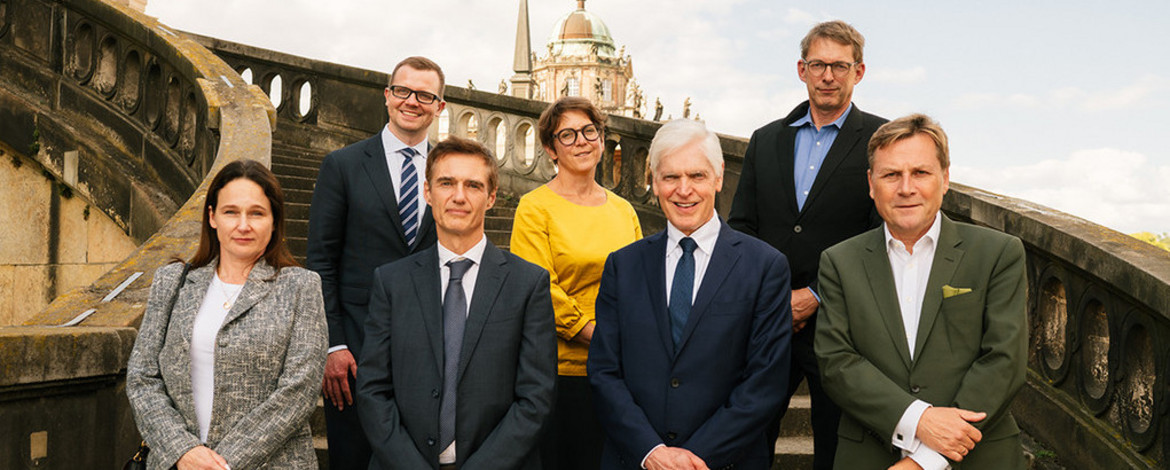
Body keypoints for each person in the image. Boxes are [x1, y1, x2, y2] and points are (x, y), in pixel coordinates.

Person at [815, 114, 1027, 470]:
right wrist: (918, 420)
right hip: (869, 456)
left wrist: (925, 460)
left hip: (979, 457)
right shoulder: (839, 262)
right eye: (891, 174)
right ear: (871, 183)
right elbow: (837, 361)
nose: (906, 188)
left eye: (921, 173)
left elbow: (1004, 360)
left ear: (945, 179)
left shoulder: (998, 253)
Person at [727, 20, 888, 468]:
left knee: (836, 446)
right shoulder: (766, 139)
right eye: (818, 64)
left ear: (859, 72)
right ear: (802, 69)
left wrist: (815, 294)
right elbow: (741, 228)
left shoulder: (882, 142)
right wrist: (773, 298)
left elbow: (880, 234)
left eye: (840, 66)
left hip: (842, 324)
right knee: (747, 437)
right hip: (767, 320)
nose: (828, 76)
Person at [589, 119, 792, 470]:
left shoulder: (765, 267)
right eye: (670, 177)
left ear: (718, 177)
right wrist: (651, 452)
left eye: (697, 176)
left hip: (726, 462)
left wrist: (693, 460)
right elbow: (604, 372)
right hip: (636, 460)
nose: (684, 190)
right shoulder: (623, 266)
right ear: (653, 182)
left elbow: (765, 383)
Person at [357, 137, 557, 470]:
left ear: (491, 197)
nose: (459, 196)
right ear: (427, 192)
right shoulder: (391, 282)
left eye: (473, 185)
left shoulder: (528, 284)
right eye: (446, 183)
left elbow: (536, 398)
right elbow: (373, 390)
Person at [126, 159, 327, 470]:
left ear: (274, 221)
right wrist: (182, 451)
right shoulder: (172, 282)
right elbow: (142, 377)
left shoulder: (301, 287)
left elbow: (298, 391)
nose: (243, 225)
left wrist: (221, 464)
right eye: (231, 212)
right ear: (213, 217)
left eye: (257, 213)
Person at [306, 56, 445, 469]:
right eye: (403, 90)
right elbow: (320, 262)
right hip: (353, 355)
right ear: (388, 96)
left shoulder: (449, 173)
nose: (412, 101)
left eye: (425, 95)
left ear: (439, 106)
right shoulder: (343, 165)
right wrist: (334, 344)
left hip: (427, 354)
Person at [510, 96, 642, 470]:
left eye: (589, 131)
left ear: (602, 139)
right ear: (551, 148)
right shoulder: (535, 207)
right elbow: (538, 287)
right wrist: (595, 335)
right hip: (561, 373)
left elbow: (638, 284)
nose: (582, 141)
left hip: (620, 370)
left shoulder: (623, 210)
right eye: (567, 135)